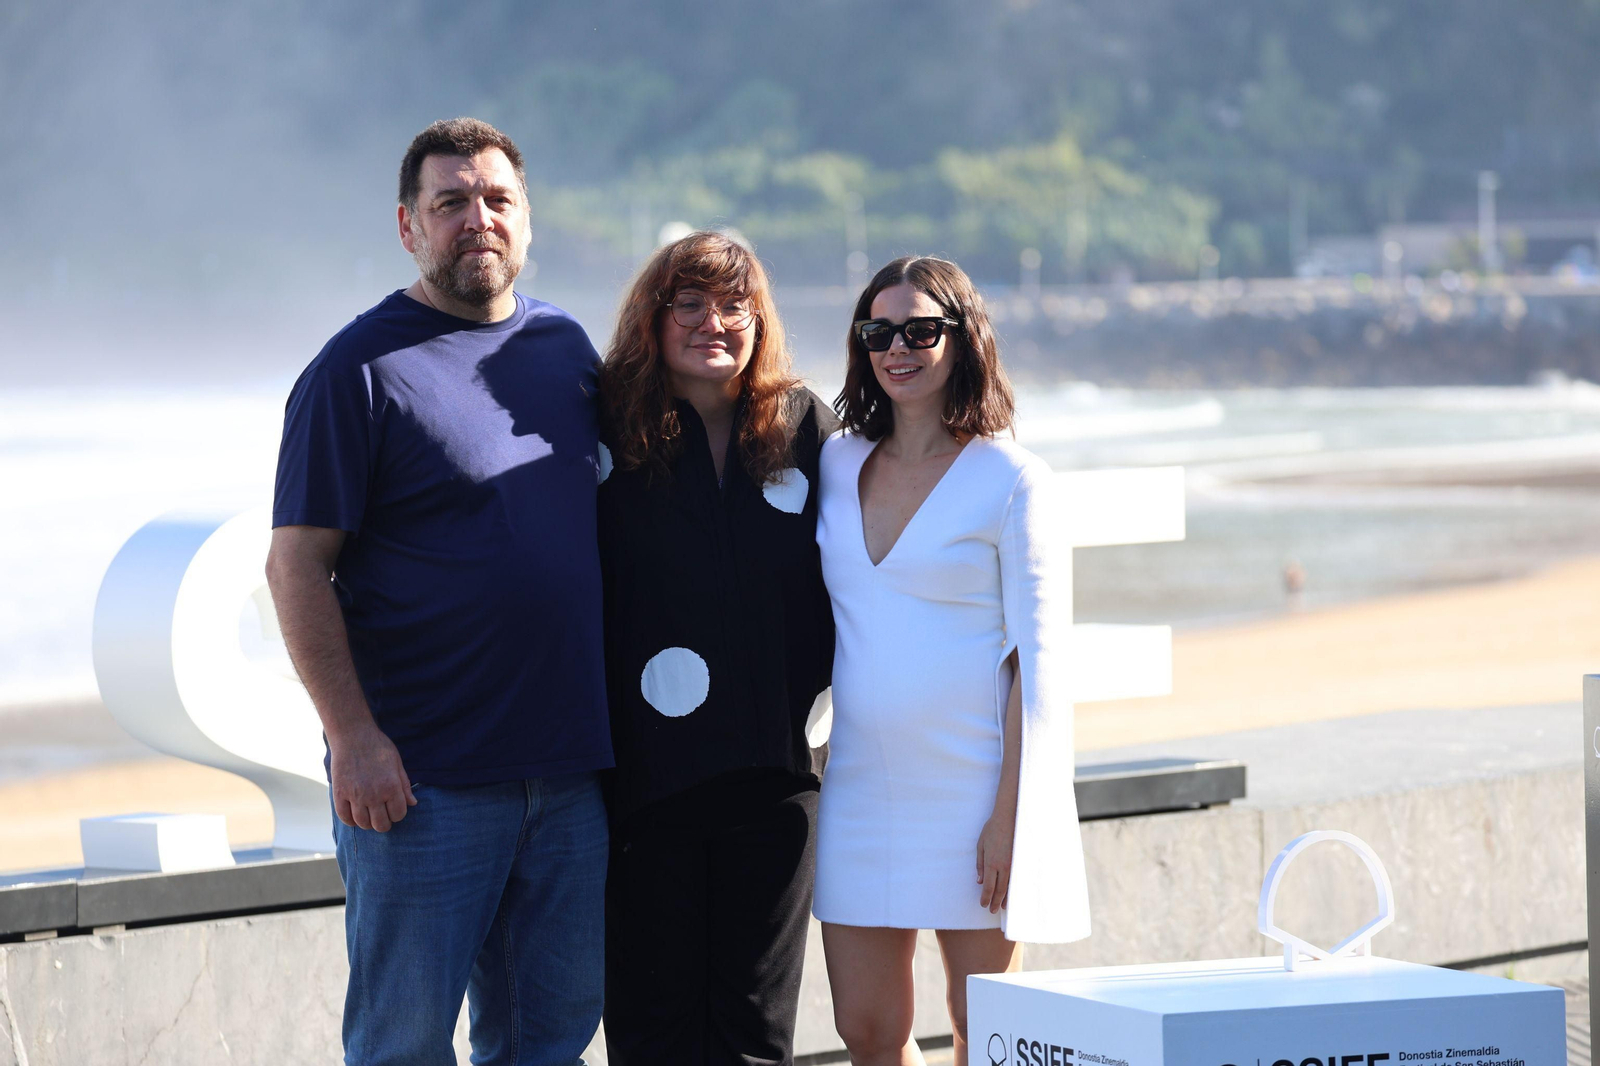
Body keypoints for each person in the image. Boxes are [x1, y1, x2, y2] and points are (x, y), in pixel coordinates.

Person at [266, 117, 611, 1066]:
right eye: (451, 202)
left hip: (573, 776)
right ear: (409, 226)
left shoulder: (566, 349)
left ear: (527, 219)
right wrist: (353, 738)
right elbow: (296, 566)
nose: (478, 220)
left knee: (550, 1047)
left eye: (497, 199)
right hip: (424, 785)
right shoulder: (356, 371)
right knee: (402, 1047)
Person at [814, 256, 1091, 1066]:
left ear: (963, 338)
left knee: (985, 1029)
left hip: (976, 789)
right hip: (859, 787)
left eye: (920, 329)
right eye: (878, 331)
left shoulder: (1012, 479)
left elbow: (1038, 661)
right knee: (866, 1029)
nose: (898, 347)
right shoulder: (834, 464)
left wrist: (1014, 814)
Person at [596, 231, 838, 1065]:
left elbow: (871, 562)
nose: (716, 322)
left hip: (777, 774)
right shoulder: (603, 425)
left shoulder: (804, 424)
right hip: (642, 778)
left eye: (737, 305)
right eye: (691, 304)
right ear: (652, 320)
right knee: (651, 1025)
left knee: (756, 1032)